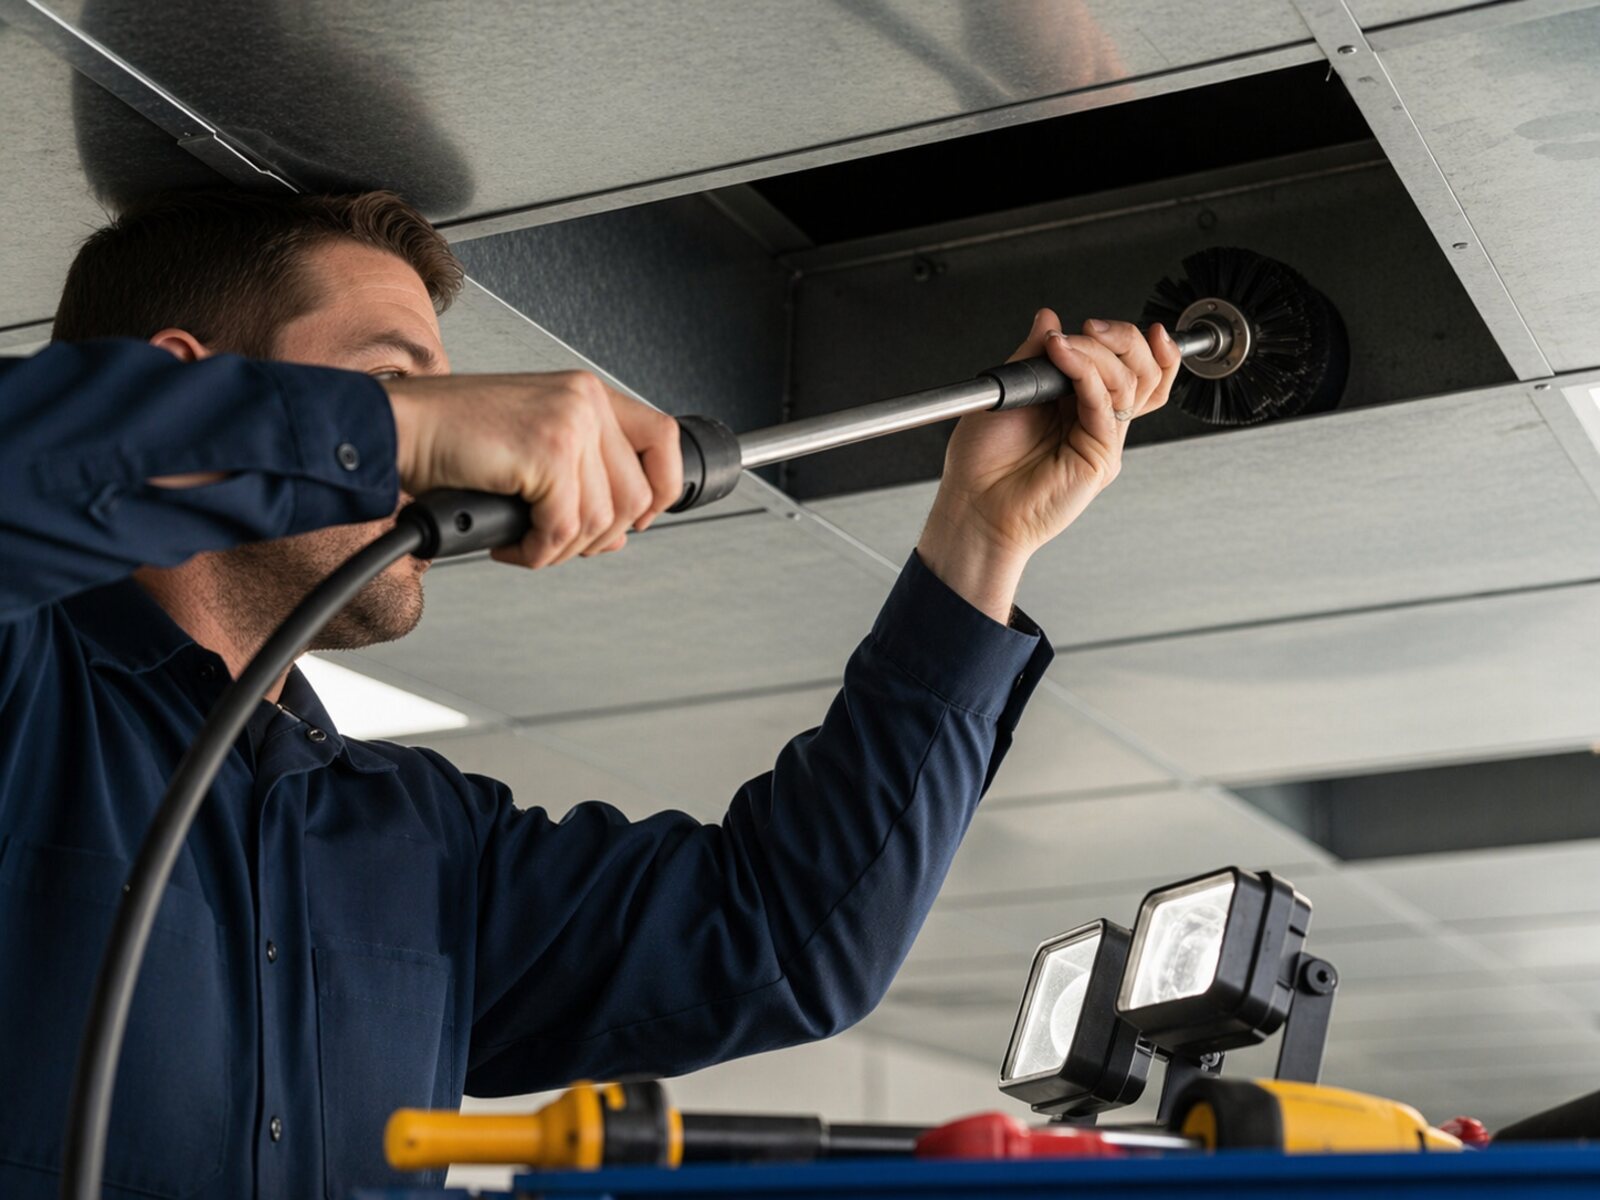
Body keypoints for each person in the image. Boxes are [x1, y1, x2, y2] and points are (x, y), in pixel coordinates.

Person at [0, 190, 1178, 1198]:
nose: (441, 458)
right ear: (188, 385)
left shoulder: (418, 836)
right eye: (390, 383)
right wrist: (397, 432)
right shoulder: (23, 689)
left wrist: (978, 540)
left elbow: (784, 938)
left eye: (434, 401)